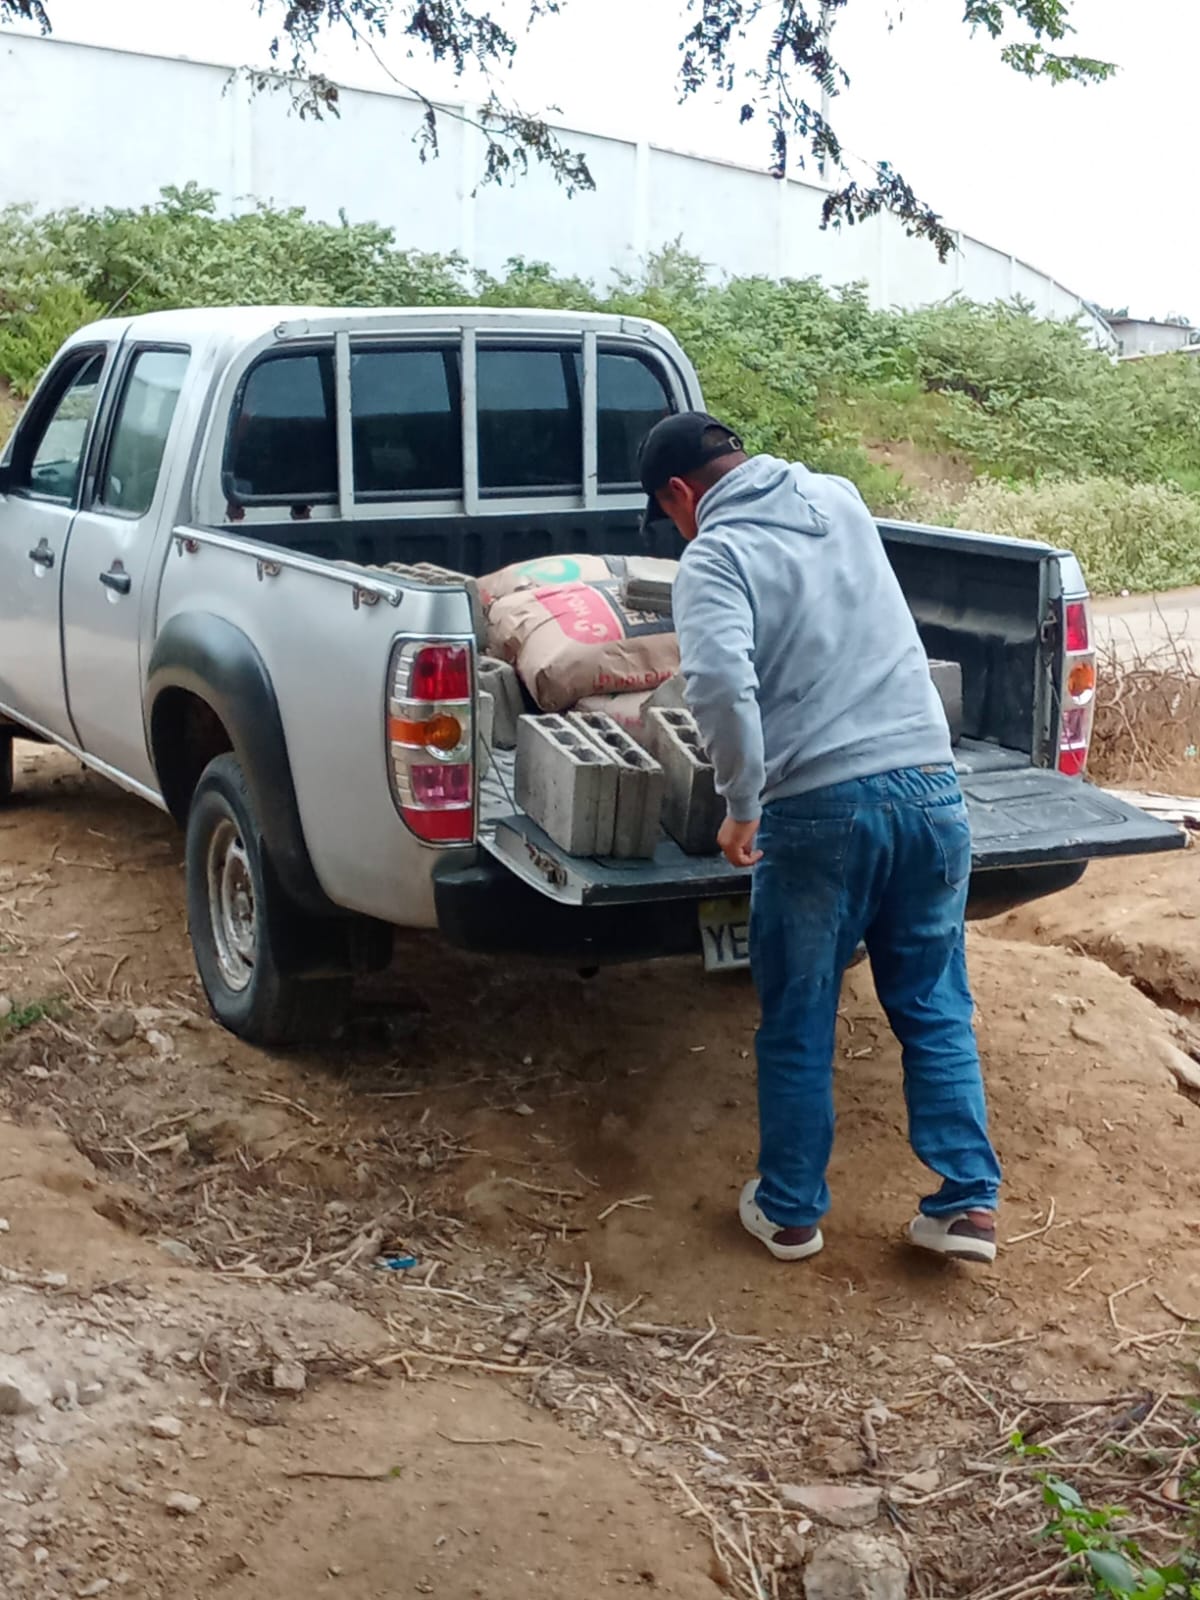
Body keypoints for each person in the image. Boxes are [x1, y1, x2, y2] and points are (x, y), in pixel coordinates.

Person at [638, 412, 1003, 1265]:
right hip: (931, 788)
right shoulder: (838, 499)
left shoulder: (715, 556)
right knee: (935, 1005)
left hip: (820, 811)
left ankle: (791, 1211)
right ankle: (967, 1206)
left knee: (799, 1014)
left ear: (680, 493)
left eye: (669, 514)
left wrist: (741, 803)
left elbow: (719, 684)